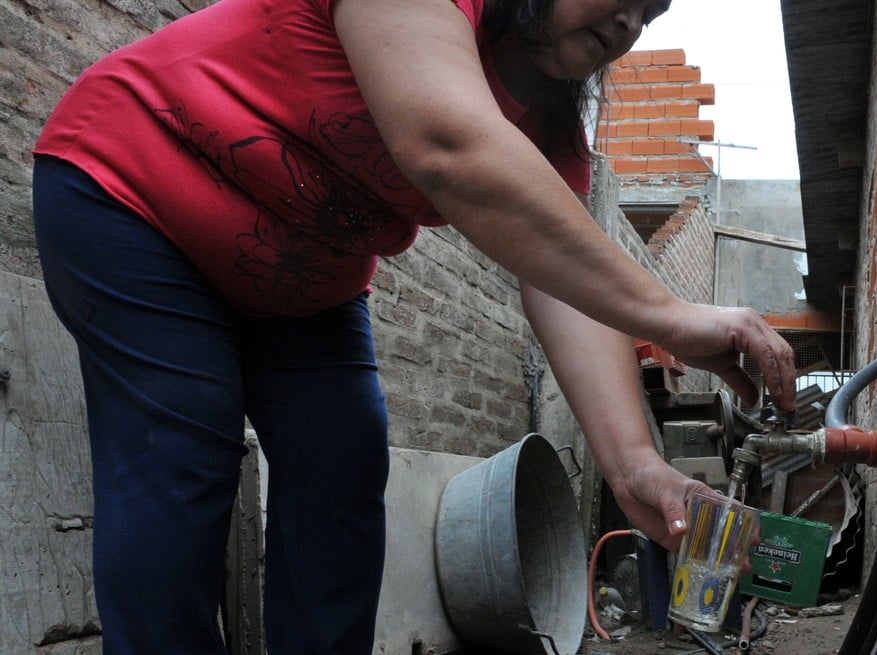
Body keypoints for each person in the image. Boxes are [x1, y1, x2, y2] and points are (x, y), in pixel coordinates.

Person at [30, 0, 796, 652]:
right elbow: (450, 146)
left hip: (301, 283)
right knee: (182, 455)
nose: (632, 19)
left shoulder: (551, 127)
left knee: (342, 468)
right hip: (136, 193)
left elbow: (564, 282)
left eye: (653, 8)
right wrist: (672, 315)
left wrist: (635, 465)